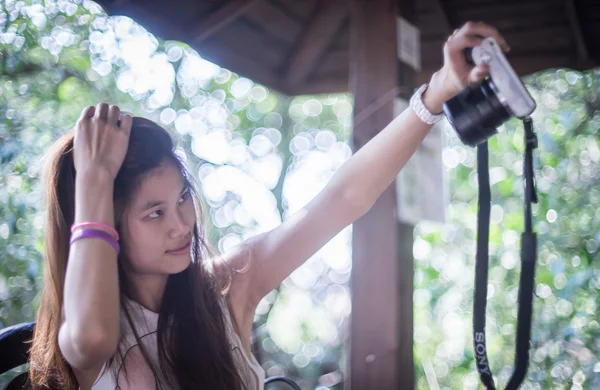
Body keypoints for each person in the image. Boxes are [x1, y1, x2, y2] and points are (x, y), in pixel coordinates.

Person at [27, 22, 510, 390]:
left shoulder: (226, 288)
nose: (180, 225)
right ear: (104, 222)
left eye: (181, 199)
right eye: (154, 213)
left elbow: (341, 199)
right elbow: (91, 337)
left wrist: (438, 91)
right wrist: (92, 179)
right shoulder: (86, 340)